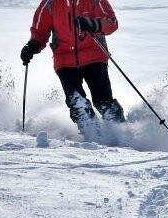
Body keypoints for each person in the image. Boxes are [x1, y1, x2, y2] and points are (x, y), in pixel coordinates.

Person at [20, 0, 126, 138]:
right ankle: (93, 137)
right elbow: (40, 30)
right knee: (77, 102)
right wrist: (33, 45)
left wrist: (94, 24)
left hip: (94, 56)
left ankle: (123, 134)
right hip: (65, 61)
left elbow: (112, 23)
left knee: (103, 101)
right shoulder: (50, 3)